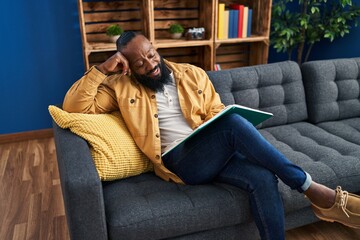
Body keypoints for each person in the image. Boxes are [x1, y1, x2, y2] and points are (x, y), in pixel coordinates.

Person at [63, 31, 360, 239]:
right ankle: (311, 188)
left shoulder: (191, 73)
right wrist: (102, 69)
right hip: (182, 162)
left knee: (262, 177)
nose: (151, 65)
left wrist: (214, 124)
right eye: (139, 64)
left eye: (152, 55)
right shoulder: (121, 87)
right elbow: (75, 106)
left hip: (214, 151)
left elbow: (215, 110)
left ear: (156, 48)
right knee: (234, 125)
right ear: (128, 65)